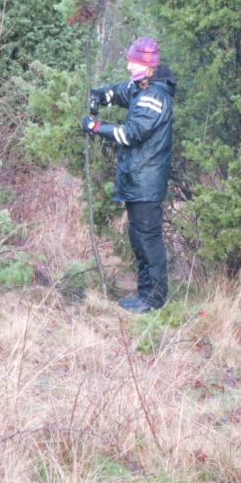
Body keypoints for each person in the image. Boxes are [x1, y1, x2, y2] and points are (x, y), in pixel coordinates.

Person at [81, 36, 177, 312]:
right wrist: (101, 95)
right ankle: (145, 294)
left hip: (147, 181)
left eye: (132, 62)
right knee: (138, 237)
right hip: (137, 179)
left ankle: (154, 300)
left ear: (147, 67)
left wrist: (96, 126)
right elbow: (122, 92)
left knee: (147, 239)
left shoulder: (155, 98)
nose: (127, 67)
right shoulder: (141, 87)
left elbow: (130, 134)